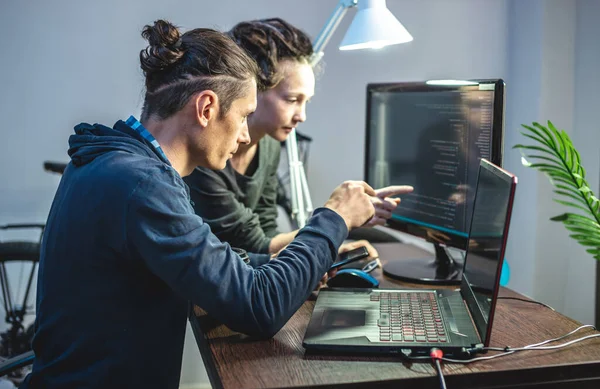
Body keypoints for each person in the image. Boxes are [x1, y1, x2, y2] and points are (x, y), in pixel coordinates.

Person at [21, 20, 376, 389]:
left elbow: (210, 262)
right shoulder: (142, 185)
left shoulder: (114, 161)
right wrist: (335, 216)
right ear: (206, 108)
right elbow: (258, 308)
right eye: (242, 117)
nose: (243, 135)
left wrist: (278, 263)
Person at [184, 18, 413, 256]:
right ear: (252, 89)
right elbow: (249, 243)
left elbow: (266, 233)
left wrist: (345, 222)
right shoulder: (207, 152)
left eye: (306, 102)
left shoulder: (270, 145)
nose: (301, 116)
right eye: (292, 100)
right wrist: (338, 218)